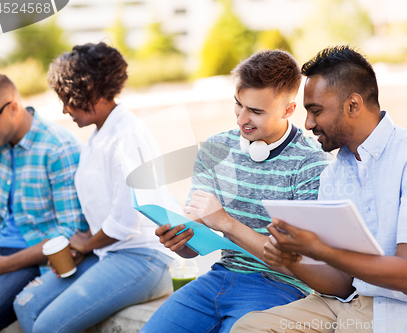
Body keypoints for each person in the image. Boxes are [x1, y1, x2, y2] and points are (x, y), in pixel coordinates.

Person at [231, 46, 407, 333]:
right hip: (345, 304)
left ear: (353, 106)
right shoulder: (333, 174)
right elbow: (342, 283)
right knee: (249, 328)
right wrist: (292, 256)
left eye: (316, 111)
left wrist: (319, 249)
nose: (307, 124)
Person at [140, 50, 339, 333]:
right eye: (238, 105)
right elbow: (194, 247)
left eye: (256, 111)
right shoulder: (216, 149)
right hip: (219, 277)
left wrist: (226, 224)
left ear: (288, 110)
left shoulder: (312, 164)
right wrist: (180, 240)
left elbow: (301, 265)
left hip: (281, 287)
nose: (241, 119)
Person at [13, 42, 180, 333]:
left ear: (91, 91)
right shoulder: (99, 133)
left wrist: (85, 244)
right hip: (109, 253)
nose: (65, 110)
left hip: (142, 257)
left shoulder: (127, 135)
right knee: (26, 305)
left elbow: (126, 222)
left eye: (68, 99)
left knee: (47, 328)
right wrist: (83, 247)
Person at [0, 73, 87, 332]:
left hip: (32, 259)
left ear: (12, 108)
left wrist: (3, 265)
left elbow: (69, 234)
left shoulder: (58, 148)